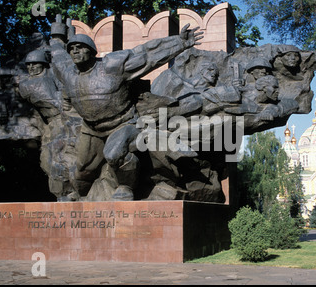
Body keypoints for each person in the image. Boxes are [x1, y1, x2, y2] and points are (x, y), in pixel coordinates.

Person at [51, 24, 203, 201]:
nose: (75, 51)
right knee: (83, 169)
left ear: (92, 51)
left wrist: (180, 42)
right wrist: (56, 37)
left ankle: (125, 187)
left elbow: (146, 55)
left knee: (115, 153)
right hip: (91, 129)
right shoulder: (67, 72)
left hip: (123, 124)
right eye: (72, 49)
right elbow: (57, 55)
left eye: (80, 47)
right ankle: (83, 198)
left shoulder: (112, 66)